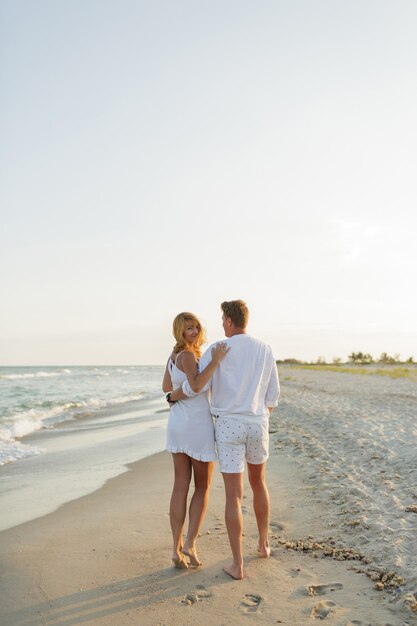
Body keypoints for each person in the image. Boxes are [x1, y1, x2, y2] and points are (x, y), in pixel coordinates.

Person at [169, 300, 280, 579]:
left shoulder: (217, 349)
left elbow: (197, 386)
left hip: (229, 424)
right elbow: (272, 398)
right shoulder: (265, 349)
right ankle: (263, 545)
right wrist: (255, 413)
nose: (220, 324)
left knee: (234, 494)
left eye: (222, 319)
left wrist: (171, 396)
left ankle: (238, 565)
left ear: (229, 321)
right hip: (257, 422)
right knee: (259, 483)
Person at [162, 311, 229, 569]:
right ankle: (189, 544)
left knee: (180, 484)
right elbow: (197, 385)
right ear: (180, 331)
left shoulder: (173, 355)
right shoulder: (189, 355)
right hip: (196, 424)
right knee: (202, 486)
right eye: (189, 328)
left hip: (178, 424)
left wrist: (175, 397)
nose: (194, 332)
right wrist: (216, 360)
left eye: (196, 327)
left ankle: (175, 549)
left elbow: (167, 388)